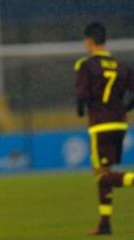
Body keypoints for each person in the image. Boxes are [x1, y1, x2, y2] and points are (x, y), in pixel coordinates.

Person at [74, 22, 134, 236]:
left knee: (100, 175)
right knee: (106, 171)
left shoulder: (86, 65)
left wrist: (81, 110)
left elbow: (81, 94)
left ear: (89, 41)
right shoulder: (121, 65)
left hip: (100, 124)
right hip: (119, 123)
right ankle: (105, 223)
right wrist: (123, 108)